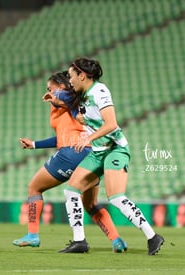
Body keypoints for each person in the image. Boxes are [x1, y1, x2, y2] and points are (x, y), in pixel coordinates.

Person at [12, 71, 128, 252]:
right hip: (92, 154)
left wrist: (55, 95)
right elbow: (61, 137)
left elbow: (63, 97)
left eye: (50, 87)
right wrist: (34, 144)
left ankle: (32, 235)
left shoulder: (64, 97)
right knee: (90, 204)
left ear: (61, 86)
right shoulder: (79, 102)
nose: (48, 90)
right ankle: (116, 240)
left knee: (34, 188)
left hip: (71, 153)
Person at [60, 58, 164, 255]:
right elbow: (85, 115)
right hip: (98, 152)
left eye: (71, 75)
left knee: (116, 197)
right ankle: (79, 241)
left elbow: (111, 124)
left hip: (115, 149)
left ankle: (152, 236)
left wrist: (87, 138)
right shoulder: (82, 95)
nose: (69, 79)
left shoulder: (100, 91)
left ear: (82, 75)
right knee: (71, 191)